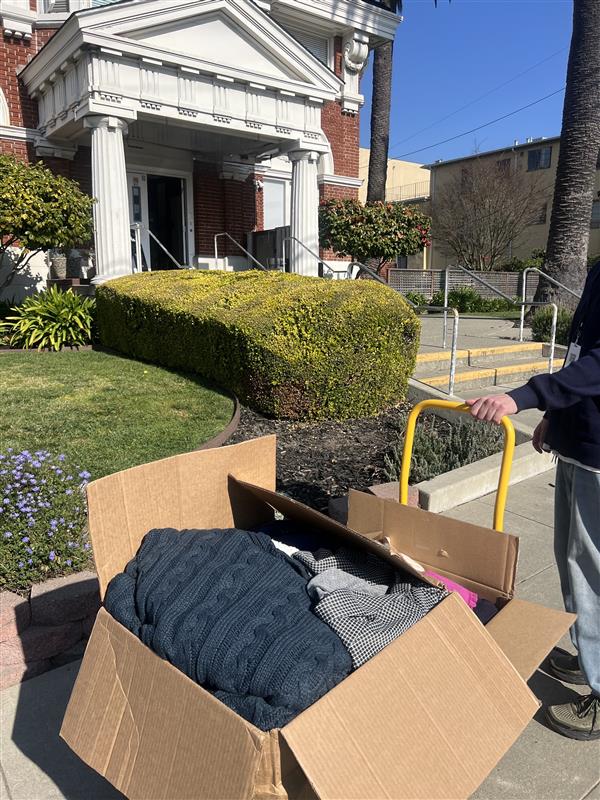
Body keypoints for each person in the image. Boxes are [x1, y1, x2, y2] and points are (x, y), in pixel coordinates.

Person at [466, 259, 600, 742]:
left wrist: (524, 397)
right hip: (580, 442)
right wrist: (555, 418)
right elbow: (580, 353)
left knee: (591, 571)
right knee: (574, 563)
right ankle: (590, 655)